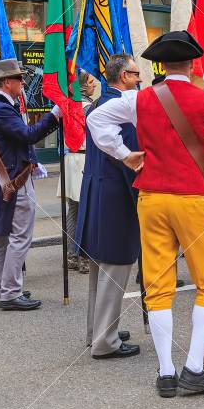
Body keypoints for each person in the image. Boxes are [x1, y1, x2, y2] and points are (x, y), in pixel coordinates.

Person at [86, 31, 204, 398]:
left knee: (158, 285)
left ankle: (166, 372)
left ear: (161, 66)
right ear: (193, 64)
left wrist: (123, 153)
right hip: (190, 199)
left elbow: (96, 120)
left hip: (150, 197)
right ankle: (194, 368)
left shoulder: (139, 98)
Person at [74, 54, 142, 359]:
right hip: (116, 195)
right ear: (124, 77)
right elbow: (129, 161)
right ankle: (105, 341)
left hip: (97, 191)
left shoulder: (99, 105)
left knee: (100, 270)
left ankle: (99, 330)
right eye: (136, 73)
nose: (140, 78)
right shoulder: (122, 110)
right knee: (115, 268)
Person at [0, 58, 61, 311]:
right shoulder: (2, 109)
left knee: (2, 236)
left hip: (5, 181)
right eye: (18, 79)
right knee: (19, 237)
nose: (23, 83)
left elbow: (18, 141)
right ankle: (11, 292)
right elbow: (28, 135)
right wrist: (54, 115)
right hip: (14, 182)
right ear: (7, 82)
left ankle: (2, 288)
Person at [61, 72, 99, 276]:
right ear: (83, 86)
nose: (94, 85)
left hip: (71, 159)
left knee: (73, 210)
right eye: (91, 82)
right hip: (84, 159)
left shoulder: (68, 106)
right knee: (85, 210)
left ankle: (71, 256)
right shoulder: (90, 108)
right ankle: (83, 257)